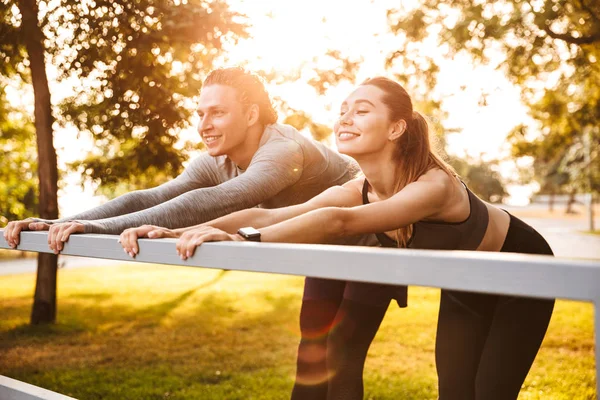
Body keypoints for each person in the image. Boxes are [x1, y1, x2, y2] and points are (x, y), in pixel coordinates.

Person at [131, 77, 555, 400]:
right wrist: (181, 231)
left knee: (490, 392)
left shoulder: (433, 186)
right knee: (457, 393)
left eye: (362, 110)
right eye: (343, 109)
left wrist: (246, 240)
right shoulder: (361, 186)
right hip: (466, 285)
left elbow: (337, 223)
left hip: (523, 277)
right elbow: (271, 213)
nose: (345, 118)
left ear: (395, 129)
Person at [2, 67, 363, 256]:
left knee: (343, 347)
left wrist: (97, 229)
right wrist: (60, 223)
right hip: (322, 238)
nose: (204, 126)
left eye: (218, 113)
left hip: (368, 233)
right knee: (317, 355)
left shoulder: (282, 152)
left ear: (251, 115)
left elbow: (208, 203)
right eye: (201, 113)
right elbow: (151, 197)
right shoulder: (217, 161)